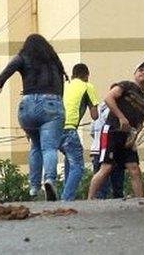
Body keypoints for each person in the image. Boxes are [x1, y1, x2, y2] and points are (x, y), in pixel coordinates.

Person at [0, 33, 67, 201]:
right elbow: (61, 86)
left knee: (35, 145)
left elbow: (11, 66)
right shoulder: (55, 62)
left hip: (27, 106)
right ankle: (49, 180)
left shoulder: (24, 57)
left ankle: (34, 187)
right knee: (48, 148)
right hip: (52, 103)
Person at [87, 61, 144, 199]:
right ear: (135, 74)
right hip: (112, 131)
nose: (143, 72)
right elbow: (108, 98)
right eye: (140, 70)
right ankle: (89, 199)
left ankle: (141, 202)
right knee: (106, 168)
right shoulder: (126, 86)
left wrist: (134, 137)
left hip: (128, 137)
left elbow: (140, 122)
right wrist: (121, 117)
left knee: (134, 169)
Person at [60, 63, 100, 201]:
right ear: (86, 75)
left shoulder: (65, 85)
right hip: (69, 129)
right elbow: (95, 115)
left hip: (54, 129)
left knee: (69, 159)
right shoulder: (87, 86)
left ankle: (65, 192)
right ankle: (66, 199)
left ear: (73, 74)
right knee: (78, 166)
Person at [90, 101, 125, 198]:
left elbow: (92, 131)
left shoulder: (99, 109)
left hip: (96, 149)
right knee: (117, 182)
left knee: (101, 184)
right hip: (111, 149)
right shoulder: (116, 110)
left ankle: (96, 200)